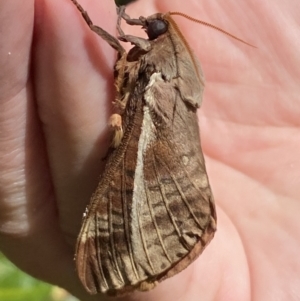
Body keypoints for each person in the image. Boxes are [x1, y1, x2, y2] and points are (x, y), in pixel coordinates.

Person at [0, 0, 299, 300]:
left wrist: (93, 23)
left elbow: (123, 50)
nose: (144, 26)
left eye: (153, 29)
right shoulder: (164, 67)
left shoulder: (158, 73)